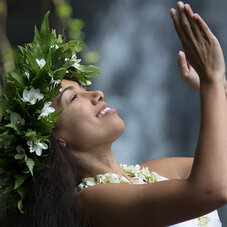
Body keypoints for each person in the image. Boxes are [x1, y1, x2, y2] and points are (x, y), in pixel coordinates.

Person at [0, 1, 227, 227]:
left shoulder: (159, 170)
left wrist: (220, 89)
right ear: (58, 139)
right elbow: (210, 189)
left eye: (84, 89)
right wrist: (212, 80)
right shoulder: (89, 202)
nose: (97, 93)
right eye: (74, 97)